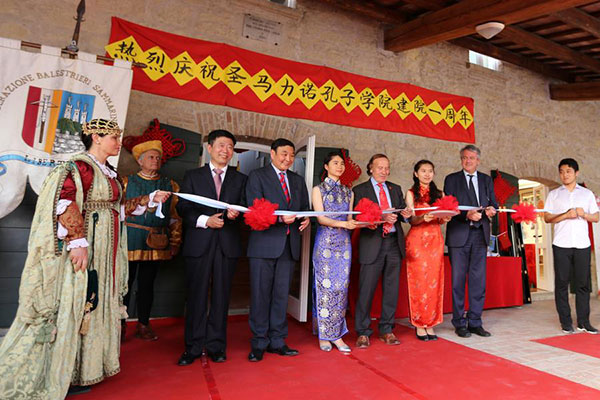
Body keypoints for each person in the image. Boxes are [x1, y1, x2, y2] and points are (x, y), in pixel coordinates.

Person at [0, 119, 171, 399]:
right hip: (86, 248)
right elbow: (64, 202)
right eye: (113, 138)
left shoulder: (110, 172)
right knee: (79, 302)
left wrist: (149, 199)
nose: (118, 143)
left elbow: (117, 209)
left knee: (96, 302)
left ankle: (86, 366)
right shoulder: (78, 167)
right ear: (95, 137)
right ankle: (64, 372)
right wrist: (77, 241)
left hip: (106, 251)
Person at [176, 129, 247, 365]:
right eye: (221, 145)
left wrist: (236, 215)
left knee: (221, 296)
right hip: (199, 243)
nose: (225, 151)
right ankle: (193, 346)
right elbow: (183, 208)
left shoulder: (241, 179)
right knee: (196, 295)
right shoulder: (193, 176)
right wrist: (206, 221)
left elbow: (247, 211)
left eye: (230, 147)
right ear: (209, 147)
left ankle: (216, 345)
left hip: (227, 245)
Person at [246, 138, 310, 362]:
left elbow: (304, 208)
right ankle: (258, 342)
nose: (288, 159)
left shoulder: (297, 180)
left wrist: (305, 220)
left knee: (281, 295)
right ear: (272, 154)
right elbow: (254, 208)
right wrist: (280, 218)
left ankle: (278, 341)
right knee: (261, 294)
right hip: (263, 245)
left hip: (288, 245)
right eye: (283, 153)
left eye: (291, 155)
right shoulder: (257, 176)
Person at [122, 139, 182, 341]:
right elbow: (119, 211)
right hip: (129, 240)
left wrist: (175, 242)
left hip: (157, 241)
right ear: (140, 161)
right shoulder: (126, 182)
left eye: (158, 157)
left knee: (147, 285)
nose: (155, 160)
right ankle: (119, 326)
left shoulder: (169, 185)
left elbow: (175, 217)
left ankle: (143, 324)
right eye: (150, 157)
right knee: (125, 285)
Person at [352, 154, 412, 349]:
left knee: (391, 290)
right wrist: (381, 217)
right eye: (380, 168)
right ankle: (362, 332)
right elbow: (357, 218)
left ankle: (387, 329)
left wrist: (406, 214)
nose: (384, 171)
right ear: (370, 168)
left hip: (394, 243)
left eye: (387, 168)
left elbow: (401, 212)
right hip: (372, 243)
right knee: (366, 289)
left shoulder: (395, 189)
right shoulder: (360, 190)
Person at [444, 144, 498, 338]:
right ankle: (459, 322)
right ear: (461, 160)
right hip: (459, 235)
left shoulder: (485, 180)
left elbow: (494, 202)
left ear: (478, 161)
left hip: (480, 235)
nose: (468, 161)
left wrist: (492, 210)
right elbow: (449, 206)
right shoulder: (451, 179)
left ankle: (475, 321)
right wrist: (466, 215)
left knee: (478, 281)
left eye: (472, 158)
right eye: (465, 158)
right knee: (458, 281)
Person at [543, 158, 599, 334]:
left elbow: (596, 217)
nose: (564, 175)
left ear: (576, 173)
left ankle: (584, 322)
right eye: (561, 171)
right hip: (561, 244)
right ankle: (566, 322)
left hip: (582, 244)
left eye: (568, 171)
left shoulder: (587, 194)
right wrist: (565, 215)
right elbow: (547, 218)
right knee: (561, 284)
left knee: (583, 285)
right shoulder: (554, 195)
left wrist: (584, 214)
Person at [311, 151, 358, 353]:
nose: (339, 166)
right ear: (326, 166)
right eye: (335, 163)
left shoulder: (349, 192)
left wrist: (358, 223)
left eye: (341, 163)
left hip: (344, 244)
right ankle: (325, 334)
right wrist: (344, 224)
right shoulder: (318, 189)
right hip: (325, 243)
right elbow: (321, 218)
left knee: (341, 289)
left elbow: (350, 218)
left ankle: (337, 334)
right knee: (325, 288)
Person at [405, 160, 450, 341]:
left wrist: (445, 217)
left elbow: (442, 218)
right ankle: (419, 323)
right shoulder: (410, 193)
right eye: (423, 171)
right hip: (417, 241)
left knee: (434, 281)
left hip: (435, 241)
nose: (427, 174)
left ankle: (431, 322)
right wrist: (424, 217)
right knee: (418, 282)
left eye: (430, 171)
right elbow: (411, 220)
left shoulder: (439, 194)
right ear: (416, 173)